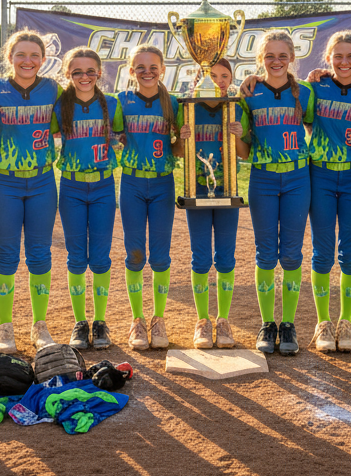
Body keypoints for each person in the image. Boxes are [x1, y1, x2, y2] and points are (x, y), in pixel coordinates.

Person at [0, 30, 61, 354]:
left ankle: (40, 325)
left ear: (43, 58)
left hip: (41, 181)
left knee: (39, 255)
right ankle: (5, 327)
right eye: (20, 54)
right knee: (6, 255)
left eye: (34, 55)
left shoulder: (53, 89)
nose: (28, 61)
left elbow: (74, 118)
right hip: (5, 181)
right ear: (9, 57)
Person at [237, 30, 315, 356]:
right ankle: (268, 323)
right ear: (260, 59)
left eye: (283, 55)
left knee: (292, 254)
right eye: (269, 55)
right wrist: (235, 134)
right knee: (266, 253)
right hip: (264, 179)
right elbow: (243, 151)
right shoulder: (249, 93)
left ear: (292, 58)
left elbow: (315, 128)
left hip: (298, 178)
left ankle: (289, 323)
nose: (276, 61)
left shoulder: (307, 93)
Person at [301, 32, 351, 353]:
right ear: (328, 58)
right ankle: (323, 323)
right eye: (338, 56)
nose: (344, 62)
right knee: (322, 250)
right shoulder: (315, 87)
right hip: (321, 175)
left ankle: (345, 321)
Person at [54, 47, 121, 351]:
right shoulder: (59, 106)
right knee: (76, 256)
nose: (84, 77)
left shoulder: (113, 104)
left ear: (99, 73)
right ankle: (80, 322)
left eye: (90, 71)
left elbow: (124, 134)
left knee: (101, 256)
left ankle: (100, 321)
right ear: (68, 73)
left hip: (104, 186)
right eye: (77, 71)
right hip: (71, 187)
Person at [175, 58, 243, 349]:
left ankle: (223, 320)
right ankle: (203, 320)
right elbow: (178, 151)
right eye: (210, 76)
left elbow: (245, 151)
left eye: (223, 76)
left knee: (226, 257)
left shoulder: (238, 107)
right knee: (201, 258)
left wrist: (238, 136)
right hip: (197, 190)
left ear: (231, 78)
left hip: (227, 190)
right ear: (200, 79)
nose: (217, 81)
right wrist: (182, 137)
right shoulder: (187, 108)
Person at [116, 44, 179, 350]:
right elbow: (111, 131)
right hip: (131, 183)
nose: (147, 72)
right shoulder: (121, 101)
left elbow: (178, 148)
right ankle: (137, 319)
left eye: (153, 67)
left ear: (162, 69)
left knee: (161, 254)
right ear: (131, 71)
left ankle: (158, 318)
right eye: (140, 67)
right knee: (135, 253)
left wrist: (186, 139)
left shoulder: (173, 103)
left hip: (163, 184)